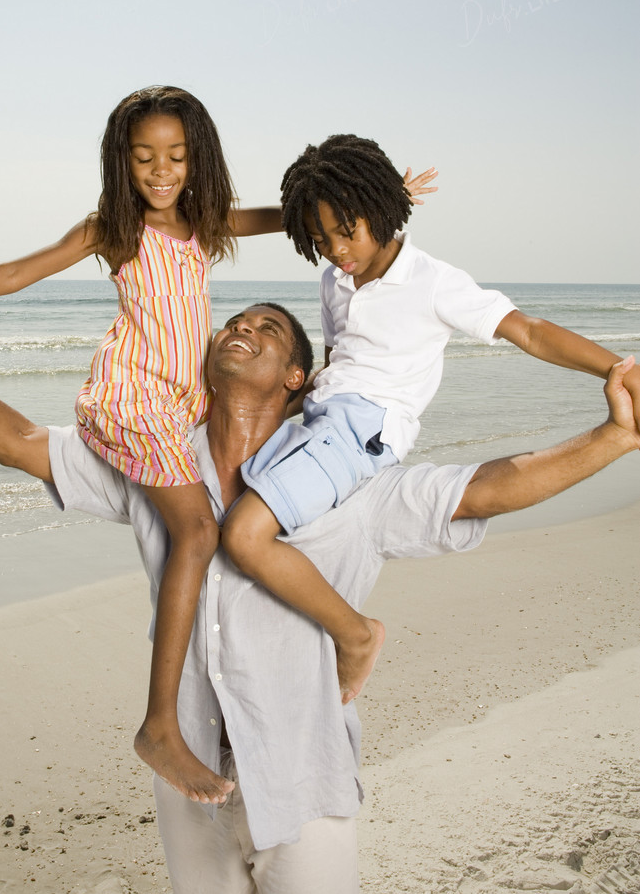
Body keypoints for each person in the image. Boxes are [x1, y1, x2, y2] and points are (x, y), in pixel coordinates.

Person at [0, 275, 639, 894]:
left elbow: (482, 489)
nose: (241, 328)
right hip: (189, 777)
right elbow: (20, 441)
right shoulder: (155, 464)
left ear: (297, 377)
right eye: (234, 323)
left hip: (302, 779)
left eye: (266, 329)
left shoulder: (345, 480)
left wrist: (614, 437)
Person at [0, 90, 437, 805]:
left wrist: (371, 199)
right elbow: (20, 273)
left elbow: (290, 218)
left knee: (200, 527)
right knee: (196, 530)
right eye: (143, 158)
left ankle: (178, 718)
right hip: (133, 399)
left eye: (176, 157)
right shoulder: (112, 229)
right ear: (120, 161)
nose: (160, 172)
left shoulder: (204, 221)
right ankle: (160, 725)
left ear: (197, 159)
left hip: (180, 399)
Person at [218, 134, 640, 708]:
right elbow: (342, 361)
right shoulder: (334, 279)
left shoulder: (434, 281)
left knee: (244, 535)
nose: (337, 250)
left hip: (363, 429)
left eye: (347, 232)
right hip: (321, 419)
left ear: (381, 212)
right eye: (319, 240)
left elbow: (531, 331)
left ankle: (356, 635)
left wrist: (619, 368)